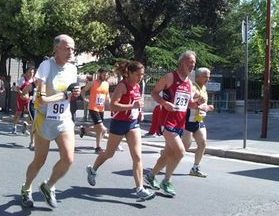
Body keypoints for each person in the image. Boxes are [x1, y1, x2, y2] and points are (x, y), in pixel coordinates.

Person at [20, 34, 80, 209]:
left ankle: (49, 185)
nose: (71, 52)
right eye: (67, 48)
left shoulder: (73, 69)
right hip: (45, 119)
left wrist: (75, 93)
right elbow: (41, 99)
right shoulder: (46, 66)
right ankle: (26, 188)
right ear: (56, 49)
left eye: (73, 48)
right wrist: (64, 95)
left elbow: (73, 94)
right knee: (40, 160)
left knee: (68, 159)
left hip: (64, 120)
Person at [85, 60, 155, 202]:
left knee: (137, 157)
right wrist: (132, 106)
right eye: (137, 74)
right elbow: (113, 106)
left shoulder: (138, 85)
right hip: (119, 123)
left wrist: (139, 111)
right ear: (129, 73)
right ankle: (92, 169)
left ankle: (140, 189)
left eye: (142, 75)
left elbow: (136, 102)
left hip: (133, 124)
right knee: (109, 153)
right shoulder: (122, 86)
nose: (140, 77)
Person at [143, 50, 202, 197]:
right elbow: (154, 92)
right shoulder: (169, 77)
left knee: (168, 153)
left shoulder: (189, 83)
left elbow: (189, 104)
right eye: (190, 62)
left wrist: (198, 103)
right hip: (167, 121)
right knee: (181, 152)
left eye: (194, 63)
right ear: (182, 62)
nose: (192, 66)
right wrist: (164, 103)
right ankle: (166, 181)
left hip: (179, 123)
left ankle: (151, 175)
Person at [182, 67, 215, 177]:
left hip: (199, 121)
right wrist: (201, 106)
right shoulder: (192, 87)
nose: (208, 79)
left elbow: (202, 104)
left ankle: (195, 168)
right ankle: (165, 156)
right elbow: (189, 102)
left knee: (202, 143)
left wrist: (207, 107)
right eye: (205, 77)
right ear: (198, 77)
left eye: (209, 77)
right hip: (188, 121)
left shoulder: (204, 88)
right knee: (183, 148)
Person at [80, 67, 110, 154]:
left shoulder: (106, 84)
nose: (105, 76)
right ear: (99, 74)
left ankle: (85, 130)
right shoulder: (92, 83)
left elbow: (107, 95)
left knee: (98, 128)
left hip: (101, 108)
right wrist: (84, 98)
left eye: (106, 75)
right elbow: (83, 91)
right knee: (102, 128)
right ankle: (98, 147)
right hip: (93, 108)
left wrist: (110, 101)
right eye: (104, 75)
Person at [11, 67, 35, 134]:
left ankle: (25, 125)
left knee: (31, 113)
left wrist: (30, 96)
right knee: (18, 113)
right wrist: (22, 94)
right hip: (21, 98)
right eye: (30, 72)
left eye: (32, 72)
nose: (31, 73)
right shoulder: (22, 79)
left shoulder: (34, 80)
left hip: (29, 99)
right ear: (26, 72)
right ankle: (14, 126)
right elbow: (17, 88)